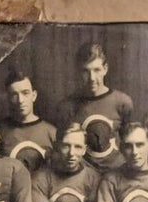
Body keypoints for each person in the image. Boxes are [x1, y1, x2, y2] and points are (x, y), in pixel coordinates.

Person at [57, 41, 134, 172]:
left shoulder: (122, 102)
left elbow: (130, 142)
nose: (92, 78)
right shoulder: (67, 106)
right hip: (84, 178)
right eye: (86, 71)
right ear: (78, 72)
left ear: (105, 69)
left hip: (116, 175)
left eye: (97, 70)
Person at [0, 70, 56, 174]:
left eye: (25, 93)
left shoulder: (51, 132)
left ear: (34, 96)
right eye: (14, 95)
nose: (20, 100)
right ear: (8, 98)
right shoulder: (0, 131)